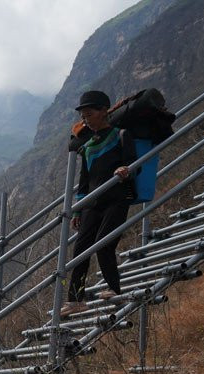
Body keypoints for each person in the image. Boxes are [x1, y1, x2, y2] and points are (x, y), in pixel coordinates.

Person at [61, 90, 137, 317]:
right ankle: (76, 299)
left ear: (104, 111)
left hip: (116, 199)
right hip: (92, 203)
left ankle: (114, 289)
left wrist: (126, 170)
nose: (86, 119)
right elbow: (84, 182)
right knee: (81, 249)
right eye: (83, 116)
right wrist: (78, 209)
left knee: (104, 245)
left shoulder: (121, 135)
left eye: (90, 114)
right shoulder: (88, 146)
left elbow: (135, 165)